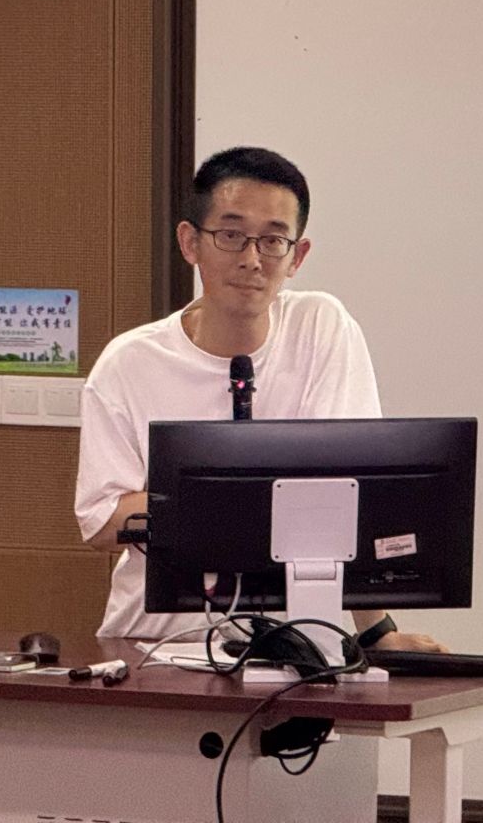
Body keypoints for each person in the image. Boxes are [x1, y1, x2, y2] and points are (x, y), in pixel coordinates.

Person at [75, 145, 444, 651]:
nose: (251, 260)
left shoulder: (321, 328)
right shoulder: (128, 363)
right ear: (190, 242)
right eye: (231, 236)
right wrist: (238, 500)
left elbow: (348, 496)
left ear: (297, 257)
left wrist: (377, 633)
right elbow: (100, 523)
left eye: (273, 241)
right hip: (156, 644)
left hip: (297, 644)